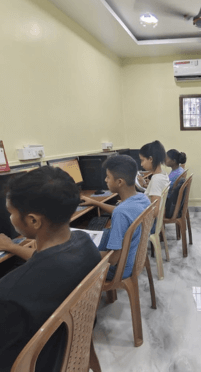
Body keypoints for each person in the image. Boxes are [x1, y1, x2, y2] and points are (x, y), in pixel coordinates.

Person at [0, 166, 101, 372]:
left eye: (11, 213)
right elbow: (49, 260)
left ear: (33, 220)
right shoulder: (85, 242)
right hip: (71, 345)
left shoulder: (10, 292)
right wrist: (13, 247)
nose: (10, 218)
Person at [81, 155, 150, 280]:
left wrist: (82, 255)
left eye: (108, 177)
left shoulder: (121, 213)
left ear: (119, 182)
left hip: (118, 270)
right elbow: (124, 212)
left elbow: (112, 260)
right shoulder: (142, 198)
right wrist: (96, 203)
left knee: (74, 260)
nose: (105, 180)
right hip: (132, 260)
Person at [138, 140, 169, 218]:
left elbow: (155, 212)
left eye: (142, 160)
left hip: (148, 222)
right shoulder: (163, 174)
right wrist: (145, 185)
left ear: (151, 159)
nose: (141, 164)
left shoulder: (156, 180)